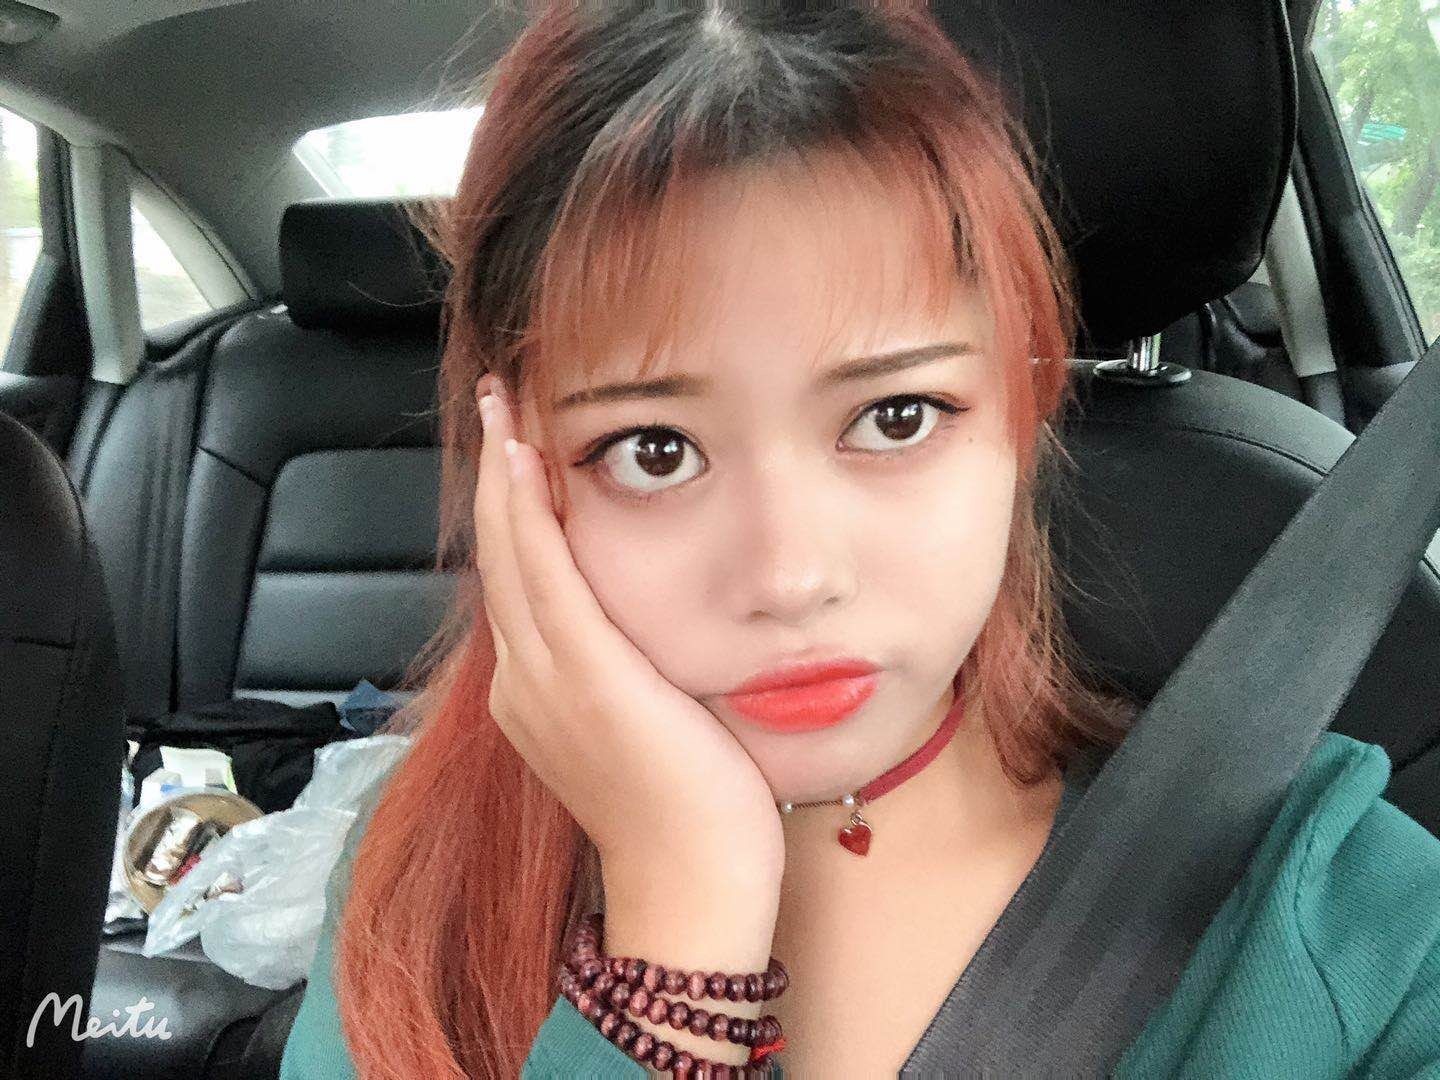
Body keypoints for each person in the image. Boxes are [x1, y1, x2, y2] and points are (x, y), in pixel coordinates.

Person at [279, 2, 1440, 1077]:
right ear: (519, 471)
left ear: (1022, 415)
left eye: (896, 418)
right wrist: (679, 922)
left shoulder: (1349, 932)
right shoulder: (421, 888)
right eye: (653, 450)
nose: (791, 577)